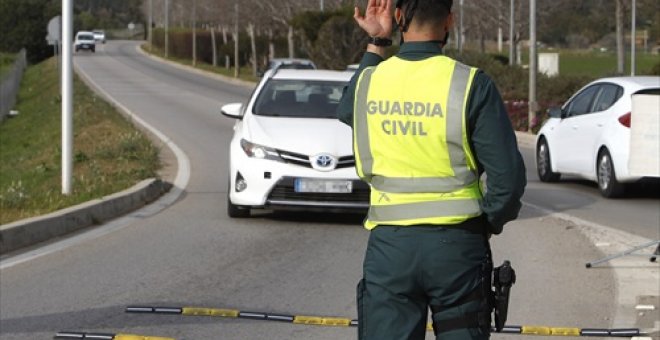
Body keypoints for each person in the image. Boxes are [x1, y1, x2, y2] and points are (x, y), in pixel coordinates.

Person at [336, 0, 526, 339]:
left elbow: (346, 110)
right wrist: (487, 224)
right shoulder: (471, 83)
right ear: (450, 20)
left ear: (397, 18)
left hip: (391, 248)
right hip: (457, 246)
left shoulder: (369, 83)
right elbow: (508, 181)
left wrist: (378, 42)